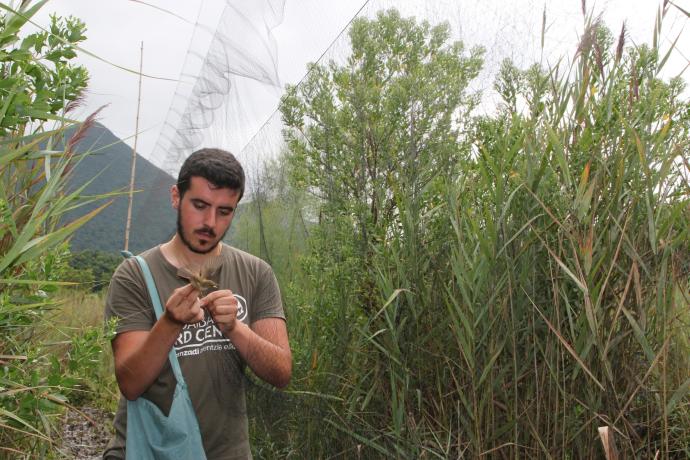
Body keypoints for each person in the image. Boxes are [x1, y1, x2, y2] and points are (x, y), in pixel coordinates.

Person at [103, 148, 292, 459]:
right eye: (200, 205)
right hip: (145, 448)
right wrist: (169, 323)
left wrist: (235, 329)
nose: (210, 222)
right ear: (176, 196)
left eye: (224, 211)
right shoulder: (134, 276)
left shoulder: (256, 273)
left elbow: (281, 372)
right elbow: (131, 383)